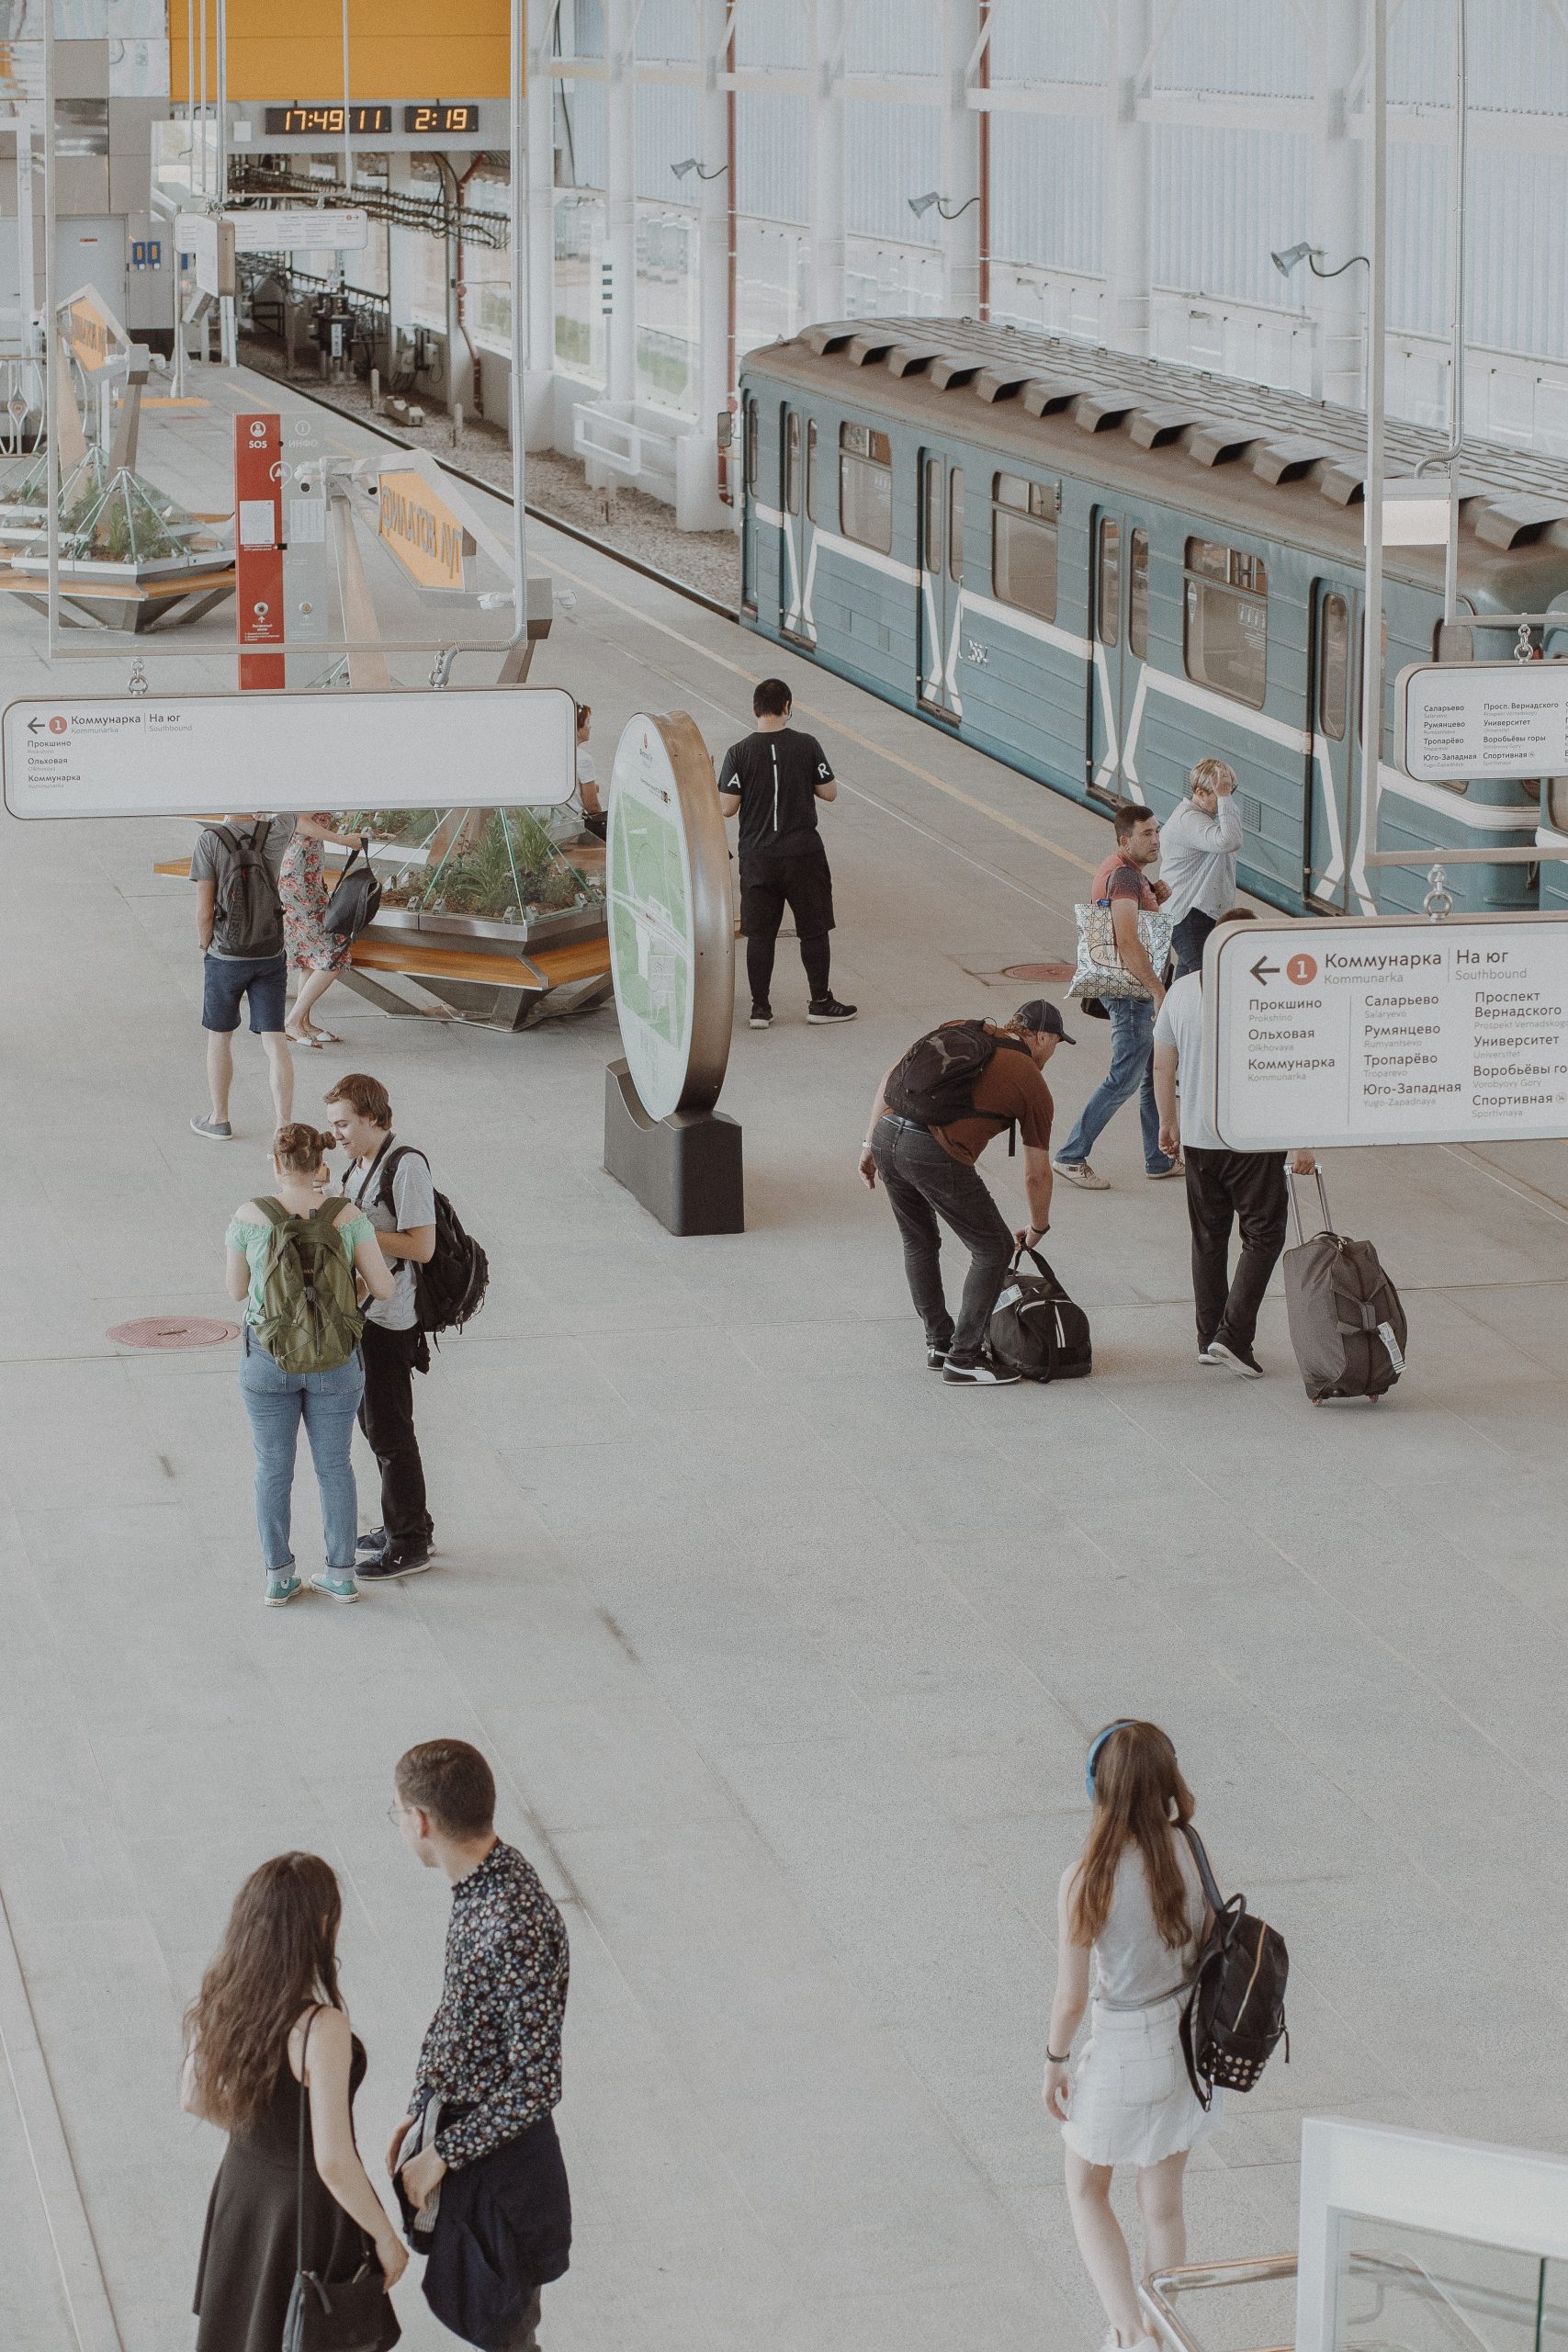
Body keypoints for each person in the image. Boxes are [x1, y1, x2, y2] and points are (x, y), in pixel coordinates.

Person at [387, 1740, 572, 2352]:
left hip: (502, 2171)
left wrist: (444, 2153)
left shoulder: (507, 1919)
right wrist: (422, 2109)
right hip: (470, 2139)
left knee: (505, 2332)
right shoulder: (482, 1883)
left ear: (420, 1821)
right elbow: (461, 2013)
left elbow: (537, 2082)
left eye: (396, 1812)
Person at [1043, 1721, 1222, 2352]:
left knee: (1087, 2189)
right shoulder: (1188, 1850)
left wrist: (1053, 2063)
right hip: (1183, 2050)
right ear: (1168, 1780)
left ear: (1096, 1785)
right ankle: (1164, 2330)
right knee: (1162, 2204)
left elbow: (1069, 1998)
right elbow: (1207, 1948)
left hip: (1119, 2053)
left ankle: (1126, 2332)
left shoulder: (1085, 1876)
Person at [185, 1850, 408, 2352]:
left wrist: (261, 2136)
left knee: (242, 2333)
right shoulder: (319, 2028)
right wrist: (386, 2239)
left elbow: (193, 2099)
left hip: (242, 2193)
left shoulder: (222, 1995)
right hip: (305, 2211)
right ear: (322, 1923)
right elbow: (332, 2159)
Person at [225, 1123, 394, 1605]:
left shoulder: (248, 1215)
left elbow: (237, 1290)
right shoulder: (347, 1215)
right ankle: (341, 1574)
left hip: (267, 1356)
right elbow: (383, 1288)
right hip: (336, 1360)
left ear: (277, 1165)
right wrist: (350, 1293)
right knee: (335, 1467)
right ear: (322, 1167)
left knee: (272, 1469)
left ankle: (279, 1576)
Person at [859, 999, 1070, 1385]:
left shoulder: (962, 1028)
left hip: (888, 1134)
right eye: (1056, 1043)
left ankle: (939, 1343)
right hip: (931, 1150)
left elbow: (890, 1077)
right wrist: (1039, 1226)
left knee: (918, 1242)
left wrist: (869, 1144)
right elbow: (1036, 1174)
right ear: (1041, 1036)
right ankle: (964, 1357)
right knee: (993, 1248)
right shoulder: (1030, 1080)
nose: (1053, 1053)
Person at [1153, 909, 1315, 1377]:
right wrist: (1301, 1139)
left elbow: (1164, 1065)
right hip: (1251, 1137)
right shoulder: (1267, 993)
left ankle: (1209, 1338)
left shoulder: (1182, 991)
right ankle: (1234, 1336)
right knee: (1264, 1235)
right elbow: (1291, 1072)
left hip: (1201, 1137)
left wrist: (1168, 1121)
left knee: (1209, 1238)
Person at [326, 1073, 439, 1580]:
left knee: (390, 1431)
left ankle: (409, 1543)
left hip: (390, 1319)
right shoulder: (360, 1163)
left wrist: (358, 1228)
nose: (337, 1134)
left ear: (372, 1116)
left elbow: (421, 1246)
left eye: (344, 1123)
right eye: (333, 1125)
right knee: (373, 1426)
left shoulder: (406, 1165)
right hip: (363, 1313)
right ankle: (408, 1522)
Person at [717, 676, 857, 1029]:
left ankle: (760, 1009)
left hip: (758, 857)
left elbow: (727, 807)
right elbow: (829, 792)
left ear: (754, 709)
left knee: (759, 934)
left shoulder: (738, 752)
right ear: (787, 708)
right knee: (814, 929)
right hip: (804, 856)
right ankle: (820, 1003)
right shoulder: (808, 745)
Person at [1054, 805, 1179, 1191]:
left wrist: (1153, 896)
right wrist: (1158, 991)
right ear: (1125, 840)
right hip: (1130, 993)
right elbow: (1125, 939)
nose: (1156, 839)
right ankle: (1070, 1155)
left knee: (1149, 1075)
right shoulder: (1125, 877)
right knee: (1124, 1077)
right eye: (1146, 834)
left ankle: (1158, 1158)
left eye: (1157, 831)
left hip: (1131, 990)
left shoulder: (1128, 874)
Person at [189, 812, 296, 1141]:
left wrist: (206, 945)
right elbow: (293, 807)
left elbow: (205, 909)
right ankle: (283, 1128)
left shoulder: (210, 840)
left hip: (226, 954)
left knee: (220, 1037)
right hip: (269, 952)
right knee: (275, 1040)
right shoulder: (275, 832)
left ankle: (219, 1119)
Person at [1156, 760, 1244, 980]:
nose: (1227, 798)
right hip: (1191, 917)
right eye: (1221, 793)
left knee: (1187, 986)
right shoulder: (1189, 820)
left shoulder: (1200, 818)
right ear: (1200, 793)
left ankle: (1172, 1015)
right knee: (1205, 983)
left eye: (1230, 792)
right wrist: (1225, 800)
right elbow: (1230, 840)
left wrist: (1223, 798)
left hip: (1196, 915)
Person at [282, 812, 365, 1046]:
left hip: (303, 873)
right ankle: (292, 1021)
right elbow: (299, 820)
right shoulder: (310, 784)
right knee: (335, 952)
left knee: (313, 953)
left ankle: (303, 1023)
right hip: (299, 877)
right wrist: (343, 840)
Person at [573, 702, 606, 840]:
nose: (590, 727)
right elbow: (592, 806)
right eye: (587, 722)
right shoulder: (583, 760)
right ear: (577, 729)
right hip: (574, 827)